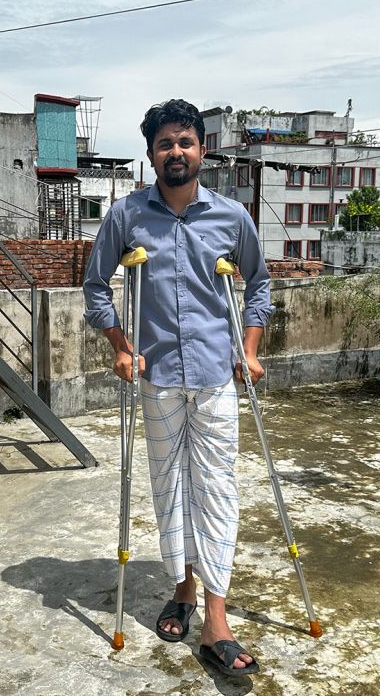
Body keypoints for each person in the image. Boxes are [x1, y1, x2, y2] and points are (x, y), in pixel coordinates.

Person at [83, 99, 273, 675]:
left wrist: (249, 351)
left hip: (217, 377)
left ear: (202, 150)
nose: (176, 152)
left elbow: (259, 284)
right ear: (151, 154)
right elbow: (95, 286)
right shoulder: (126, 217)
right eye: (165, 143)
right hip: (159, 377)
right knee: (170, 488)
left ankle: (216, 620)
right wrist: (120, 345)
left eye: (185, 142)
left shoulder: (231, 218)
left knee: (216, 490)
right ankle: (183, 588)